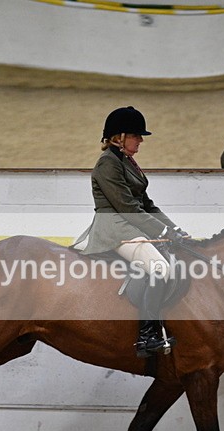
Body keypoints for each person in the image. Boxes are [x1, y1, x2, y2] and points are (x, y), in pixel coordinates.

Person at [73, 106, 189, 358]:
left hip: (131, 226)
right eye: (136, 135)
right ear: (120, 137)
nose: (141, 140)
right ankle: (146, 336)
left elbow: (147, 204)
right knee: (160, 268)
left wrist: (175, 228)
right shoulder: (107, 164)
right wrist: (164, 230)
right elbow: (127, 207)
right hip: (115, 228)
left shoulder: (127, 162)